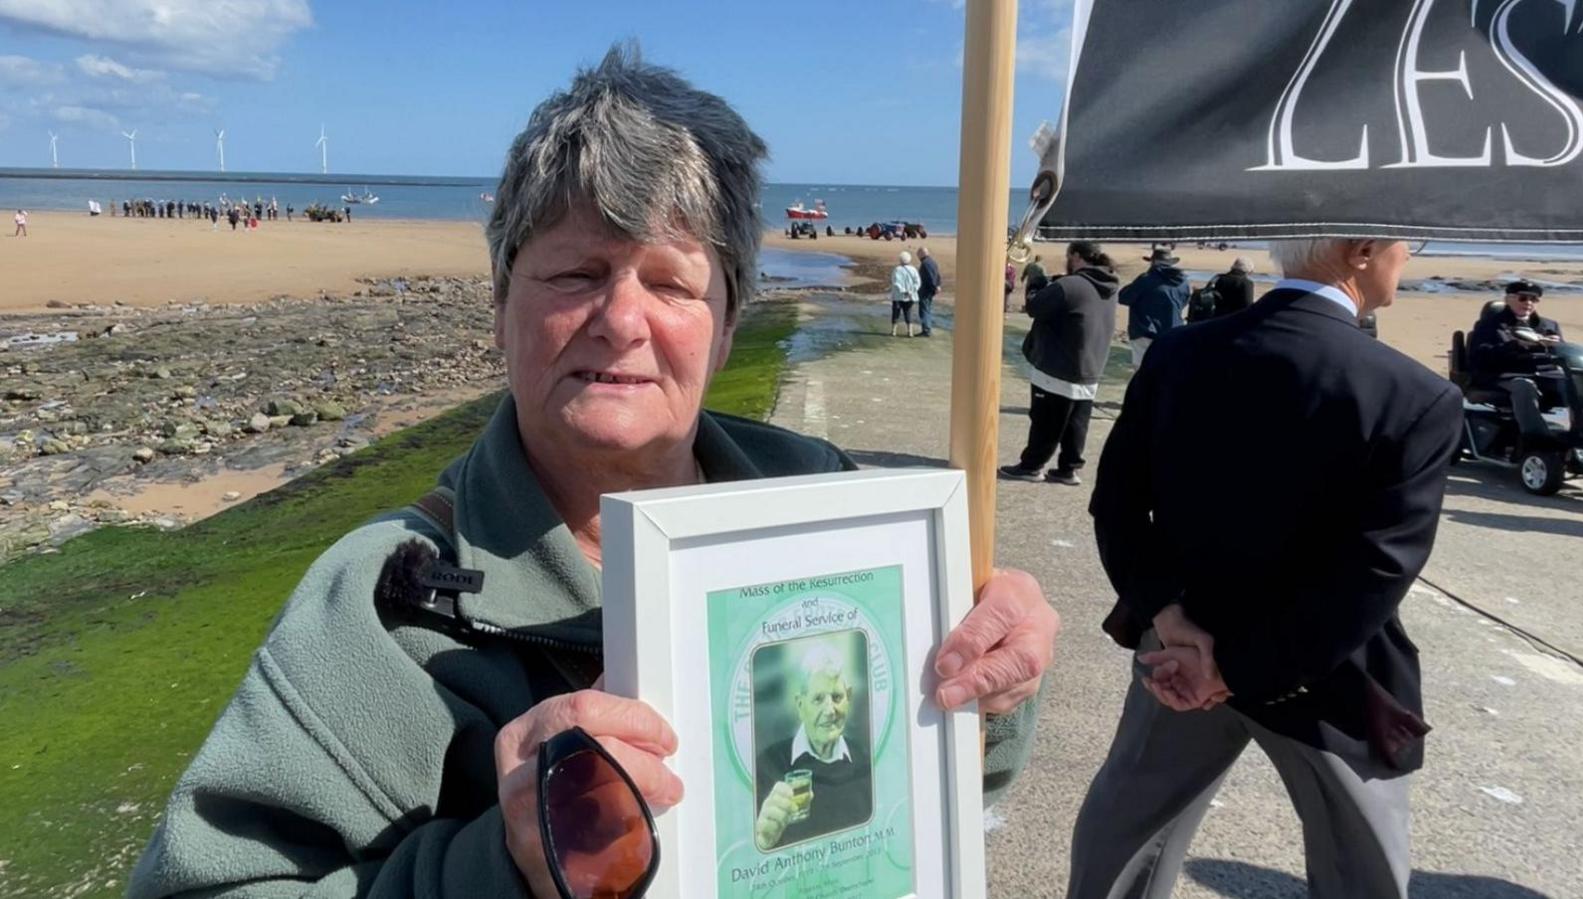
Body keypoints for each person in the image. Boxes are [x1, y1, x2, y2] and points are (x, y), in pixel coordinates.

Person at [128, 45, 1056, 898]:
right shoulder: (387, 604)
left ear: (728, 325)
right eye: (575, 272)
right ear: (500, 308)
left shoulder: (827, 507)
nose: (621, 319)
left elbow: (925, 795)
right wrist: (507, 864)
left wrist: (991, 684)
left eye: (671, 282)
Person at [1069, 238, 1461, 899]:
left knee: (1123, 842)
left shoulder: (1180, 352)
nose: (1408, 258)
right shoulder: (1415, 395)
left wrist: (1167, 617)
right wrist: (1234, 668)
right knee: (1362, 871)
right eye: (1405, 245)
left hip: (1179, 643)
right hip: (1326, 673)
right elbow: (1373, 574)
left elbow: (1117, 505)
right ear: (1363, 251)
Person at [999, 241, 1120, 486]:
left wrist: (1035, 281)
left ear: (1075, 256)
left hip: (1058, 364)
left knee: (1046, 420)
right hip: (1091, 365)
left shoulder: (1071, 285)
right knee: (1077, 421)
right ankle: (1068, 469)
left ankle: (1031, 466)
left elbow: (1035, 306)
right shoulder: (1108, 286)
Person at [753, 644, 871, 851]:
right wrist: (762, 841)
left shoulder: (865, 761)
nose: (829, 711)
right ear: (800, 705)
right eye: (818, 699)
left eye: (837, 697)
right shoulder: (767, 765)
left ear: (849, 698)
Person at [1468, 280, 1564, 435]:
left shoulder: (1549, 326)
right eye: (1523, 298)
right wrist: (1520, 344)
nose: (1528, 303)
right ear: (1508, 299)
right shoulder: (1490, 325)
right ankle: (1535, 437)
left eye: (1533, 299)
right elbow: (1481, 355)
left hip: (1544, 373)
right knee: (1524, 386)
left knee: (1582, 384)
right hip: (1503, 375)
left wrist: (1557, 347)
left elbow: (1563, 353)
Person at [1118, 248, 1189, 368]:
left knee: (1143, 374)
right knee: (1166, 372)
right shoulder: (1183, 282)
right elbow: (1183, 303)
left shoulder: (1146, 279)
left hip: (1145, 331)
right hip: (1173, 332)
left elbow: (1124, 298)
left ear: (1153, 262)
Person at [890, 249, 921, 337]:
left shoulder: (897, 269)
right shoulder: (913, 269)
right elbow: (918, 282)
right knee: (908, 312)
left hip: (898, 296)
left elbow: (895, 282)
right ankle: (910, 332)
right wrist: (911, 290)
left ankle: (893, 331)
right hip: (910, 296)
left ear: (900, 259)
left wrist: (903, 290)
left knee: (896, 313)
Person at [916, 246, 941, 337]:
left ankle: (926, 330)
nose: (917, 256)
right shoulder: (932, 262)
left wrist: (935, 287)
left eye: (918, 254)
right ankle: (927, 328)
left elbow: (931, 277)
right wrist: (938, 285)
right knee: (927, 308)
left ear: (921, 254)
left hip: (926, 290)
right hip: (929, 289)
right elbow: (937, 275)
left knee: (924, 310)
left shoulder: (926, 263)